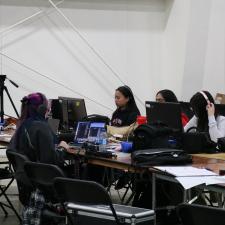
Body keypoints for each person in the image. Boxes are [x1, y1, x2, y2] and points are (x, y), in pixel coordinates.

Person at [9, 92, 71, 165]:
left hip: (27, 173)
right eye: (48, 110)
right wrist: (62, 148)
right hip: (45, 174)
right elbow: (52, 160)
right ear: (42, 109)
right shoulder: (42, 127)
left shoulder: (22, 124)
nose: (48, 113)